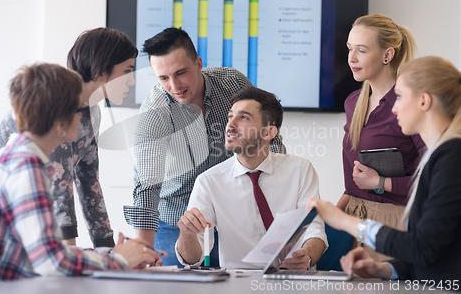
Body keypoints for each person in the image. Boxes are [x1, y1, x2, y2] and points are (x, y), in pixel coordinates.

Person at [0, 63, 162, 280]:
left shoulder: (14, 158)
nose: (83, 117)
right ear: (60, 124)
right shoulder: (26, 168)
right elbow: (51, 262)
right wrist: (118, 261)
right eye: (79, 110)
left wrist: (111, 254)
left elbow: (45, 251)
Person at [123, 28, 286, 266]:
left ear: (198, 64)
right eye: (163, 78)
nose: (174, 85)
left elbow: (269, 141)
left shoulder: (232, 84)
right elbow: (146, 187)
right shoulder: (154, 112)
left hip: (235, 219)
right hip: (177, 222)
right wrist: (143, 253)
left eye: (181, 73)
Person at [0, 28, 136, 248]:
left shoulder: (93, 112)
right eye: (127, 71)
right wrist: (80, 256)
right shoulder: (60, 105)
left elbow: (89, 181)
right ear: (102, 71)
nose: (132, 81)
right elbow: (60, 189)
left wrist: (108, 248)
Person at [308, 56, 461, 282]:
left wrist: (345, 222)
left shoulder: (452, 156)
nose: (395, 108)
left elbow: (424, 248)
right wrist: (382, 270)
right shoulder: (439, 156)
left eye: (399, 97)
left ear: (424, 101)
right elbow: (434, 251)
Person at [176, 87, 327, 269]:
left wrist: (308, 256)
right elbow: (193, 259)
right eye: (230, 116)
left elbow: (314, 229)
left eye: (244, 117)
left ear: (268, 133)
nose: (231, 125)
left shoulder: (300, 170)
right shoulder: (208, 181)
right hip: (237, 283)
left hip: (293, 280)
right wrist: (187, 233)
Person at [336, 13, 425, 262]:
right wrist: (331, 216)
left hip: (393, 222)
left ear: (388, 55)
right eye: (350, 49)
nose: (351, 59)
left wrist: (380, 182)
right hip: (353, 219)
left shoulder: (410, 105)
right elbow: (353, 181)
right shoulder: (353, 102)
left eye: (362, 50)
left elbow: (432, 180)